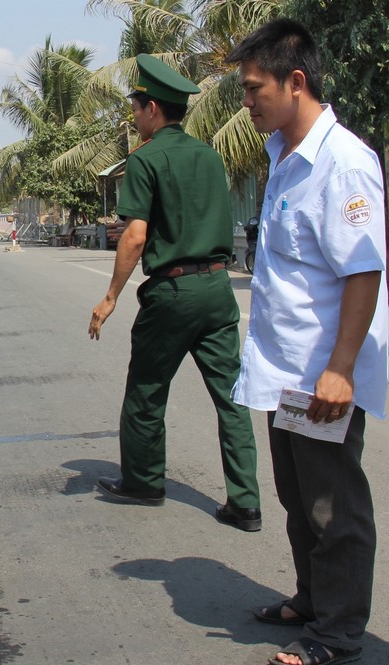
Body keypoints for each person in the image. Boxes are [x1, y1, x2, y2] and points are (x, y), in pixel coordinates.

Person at [227, 19, 387, 665]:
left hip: (323, 374)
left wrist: (341, 370)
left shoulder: (343, 162)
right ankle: (310, 598)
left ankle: (339, 630)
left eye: (253, 87)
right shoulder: (282, 157)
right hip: (285, 370)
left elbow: (363, 268)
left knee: (332, 503)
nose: (246, 101)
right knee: (297, 494)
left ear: (295, 82)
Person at [88, 55, 262, 531]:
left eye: (136, 108)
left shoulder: (146, 158)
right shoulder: (209, 155)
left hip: (173, 291)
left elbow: (136, 235)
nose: (135, 117)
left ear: (152, 110)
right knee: (231, 396)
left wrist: (111, 297)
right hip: (217, 287)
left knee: (146, 391)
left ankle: (144, 483)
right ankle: (245, 502)